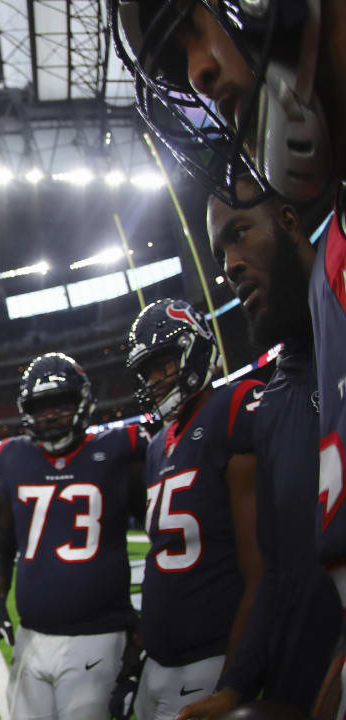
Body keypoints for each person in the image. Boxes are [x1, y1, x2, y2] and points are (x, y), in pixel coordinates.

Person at [108, 3, 346, 712]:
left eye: (241, 234)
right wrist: (248, 687)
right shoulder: (291, 369)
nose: (200, 71)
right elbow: (284, 573)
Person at [173, 181, 341, 719]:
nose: (230, 265)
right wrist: (235, 685)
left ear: (289, 224)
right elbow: (275, 575)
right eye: (220, 253)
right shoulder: (269, 405)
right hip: (298, 687)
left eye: (239, 235)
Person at [0, 353, 146, 720]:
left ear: (83, 401)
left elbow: (164, 538)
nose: (50, 415)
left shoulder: (119, 451)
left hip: (99, 636)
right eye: (41, 407)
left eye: (61, 404)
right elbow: (1, 547)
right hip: (31, 636)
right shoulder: (13, 458)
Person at [124, 299, 263, 720]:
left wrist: (234, 682)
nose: (155, 380)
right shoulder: (157, 445)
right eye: (147, 371)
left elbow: (261, 569)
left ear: (194, 349)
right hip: (158, 662)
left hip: (212, 659)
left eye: (163, 364)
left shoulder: (236, 406)